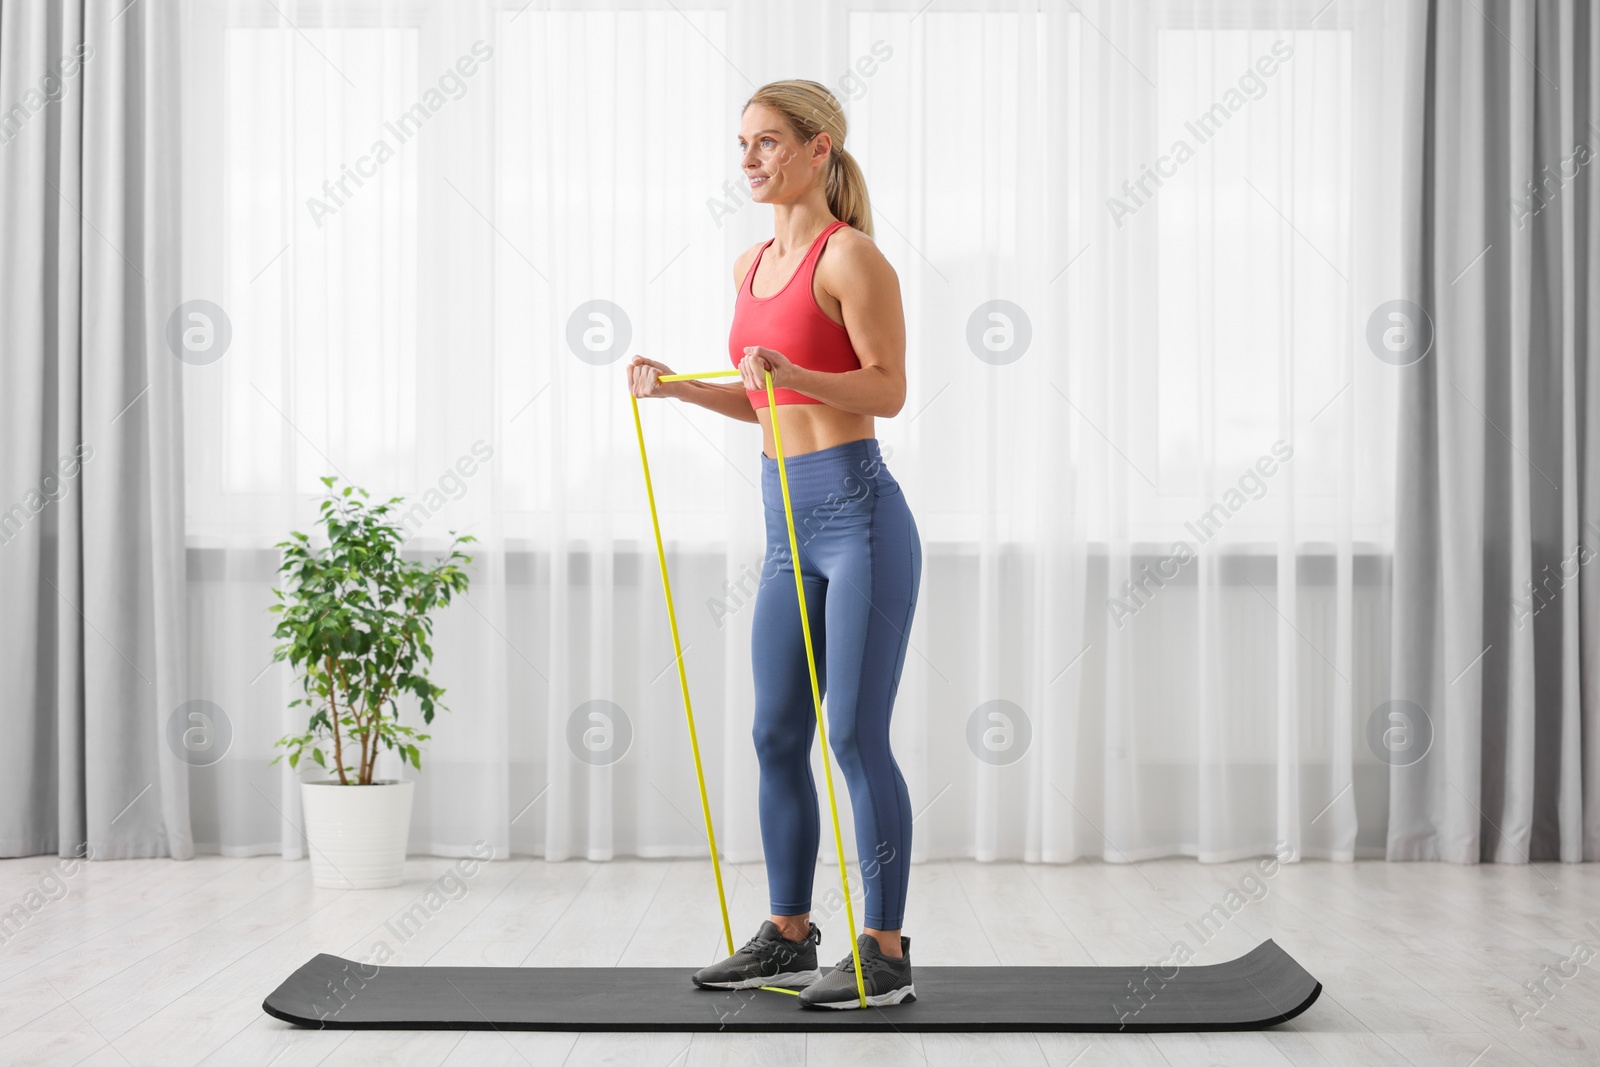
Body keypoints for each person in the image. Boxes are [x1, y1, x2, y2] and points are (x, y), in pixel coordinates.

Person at [627, 79, 921, 1009]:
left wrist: (797, 371)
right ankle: (790, 936)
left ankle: (885, 950)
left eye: (766, 143)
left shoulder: (853, 259)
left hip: (862, 517)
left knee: (853, 733)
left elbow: (886, 392)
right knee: (773, 731)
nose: (749, 159)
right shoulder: (750, 262)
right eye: (742, 144)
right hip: (786, 526)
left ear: (819, 147)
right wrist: (678, 387)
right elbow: (763, 398)